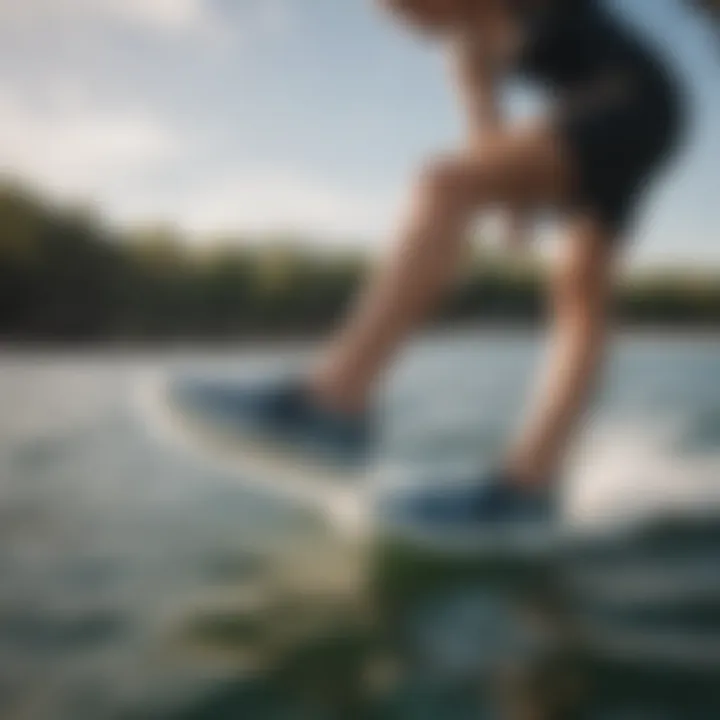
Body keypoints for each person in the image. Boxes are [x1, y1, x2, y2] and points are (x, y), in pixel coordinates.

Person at [174, 0, 686, 538]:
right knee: (577, 293)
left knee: (444, 182)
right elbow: (486, 141)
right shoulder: (465, 55)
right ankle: (528, 489)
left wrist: (487, 185)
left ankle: (334, 403)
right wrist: (511, 205)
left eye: (401, 6)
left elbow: (468, 175)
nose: (401, 23)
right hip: (606, 116)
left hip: (637, 100)